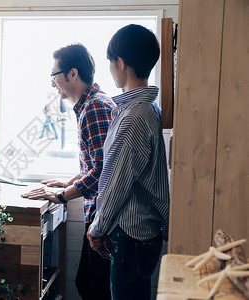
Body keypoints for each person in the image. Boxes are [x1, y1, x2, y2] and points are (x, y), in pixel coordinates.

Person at [21, 43, 115, 300]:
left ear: (72, 74)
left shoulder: (94, 107)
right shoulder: (91, 104)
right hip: (99, 214)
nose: (53, 84)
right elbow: (95, 163)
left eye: (54, 75)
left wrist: (62, 196)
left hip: (104, 216)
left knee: (92, 288)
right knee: (87, 283)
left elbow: (102, 172)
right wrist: (67, 182)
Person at [87, 24, 170, 300]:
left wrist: (97, 228)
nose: (110, 68)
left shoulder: (133, 117)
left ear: (120, 63)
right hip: (144, 234)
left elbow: (115, 184)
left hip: (131, 235)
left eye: (111, 62)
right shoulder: (149, 109)